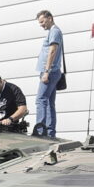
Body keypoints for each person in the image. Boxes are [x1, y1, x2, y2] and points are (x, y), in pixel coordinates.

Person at [35, 10, 64, 138]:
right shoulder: (53, 31)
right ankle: (50, 132)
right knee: (49, 102)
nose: (41, 25)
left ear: (50, 18)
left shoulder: (54, 31)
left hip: (50, 72)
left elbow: (52, 51)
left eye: (42, 21)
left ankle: (40, 131)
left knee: (40, 100)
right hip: (52, 72)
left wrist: (46, 72)